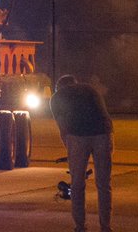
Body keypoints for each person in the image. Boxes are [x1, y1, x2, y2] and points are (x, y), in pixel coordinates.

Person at [51, 74, 115, 232]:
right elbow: (104, 116)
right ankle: (105, 227)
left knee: (78, 185)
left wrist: (70, 151)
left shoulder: (57, 97)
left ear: (59, 87)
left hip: (78, 136)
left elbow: (63, 128)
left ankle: (80, 226)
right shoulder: (90, 89)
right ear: (75, 83)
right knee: (104, 184)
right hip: (103, 134)